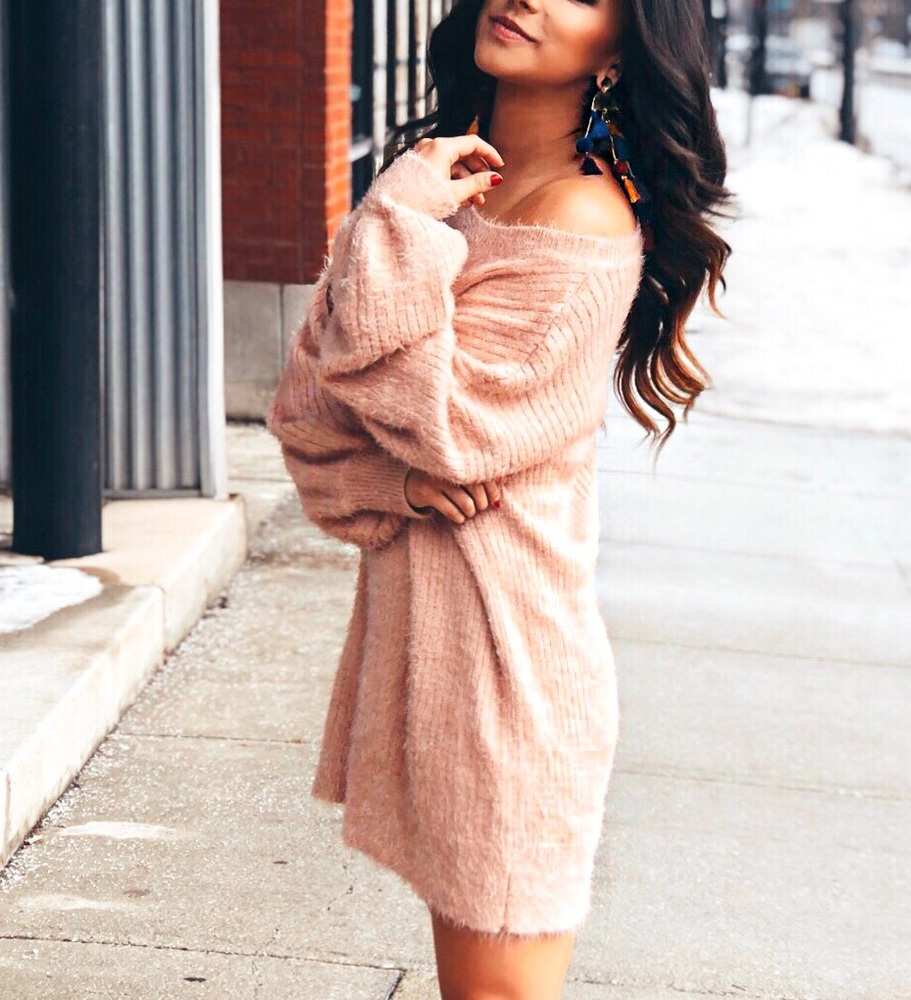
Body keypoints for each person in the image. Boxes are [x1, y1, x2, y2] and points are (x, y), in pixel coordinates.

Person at [267, 0, 732, 995]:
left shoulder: (581, 222)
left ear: (621, 48)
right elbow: (311, 407)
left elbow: (433, 421)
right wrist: (392, 480)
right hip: (441, 665)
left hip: (510, 675)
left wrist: (390, 225)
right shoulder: (451, 194)